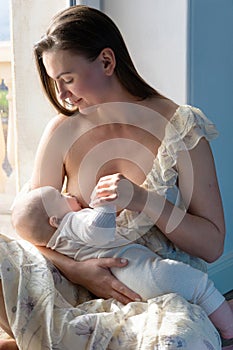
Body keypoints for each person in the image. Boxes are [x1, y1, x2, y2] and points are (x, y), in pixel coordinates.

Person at [0, 4, 228, 350]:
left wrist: (143, 200)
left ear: (107, 61)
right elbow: (34, 230)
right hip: (75, 278)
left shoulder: (180, 129)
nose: (61, 95)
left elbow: (212, 246)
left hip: (158, 288)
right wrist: (80, 271)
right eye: (54, 82)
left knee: (179, 340)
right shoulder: (63, 130)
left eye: (68, 79)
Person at [12, 184, 233, 341]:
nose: (67, 193)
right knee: (200, 286)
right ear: (54, 220)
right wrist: (104, 205)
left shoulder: (56, 243)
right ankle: (229, 331)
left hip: (125, 283)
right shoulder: (72, 221)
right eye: (60, 197)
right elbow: (99, 232)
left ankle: (216, 330)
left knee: (190, 298)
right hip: (143, 272)